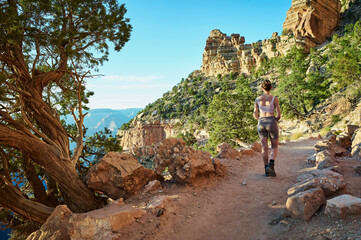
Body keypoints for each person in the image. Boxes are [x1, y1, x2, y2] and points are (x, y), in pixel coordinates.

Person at [253, 80, 281, 177]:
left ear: (262, 88)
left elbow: (255, 114)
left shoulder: (257, 99)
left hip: (261, 122)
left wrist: (260, 120)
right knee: (274, 146)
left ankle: (266, 170)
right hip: (271, 121)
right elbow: (279, 115)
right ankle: (271, 165)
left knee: (264, 147)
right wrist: (274, 120)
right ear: (271, 88)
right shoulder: (274, 99)